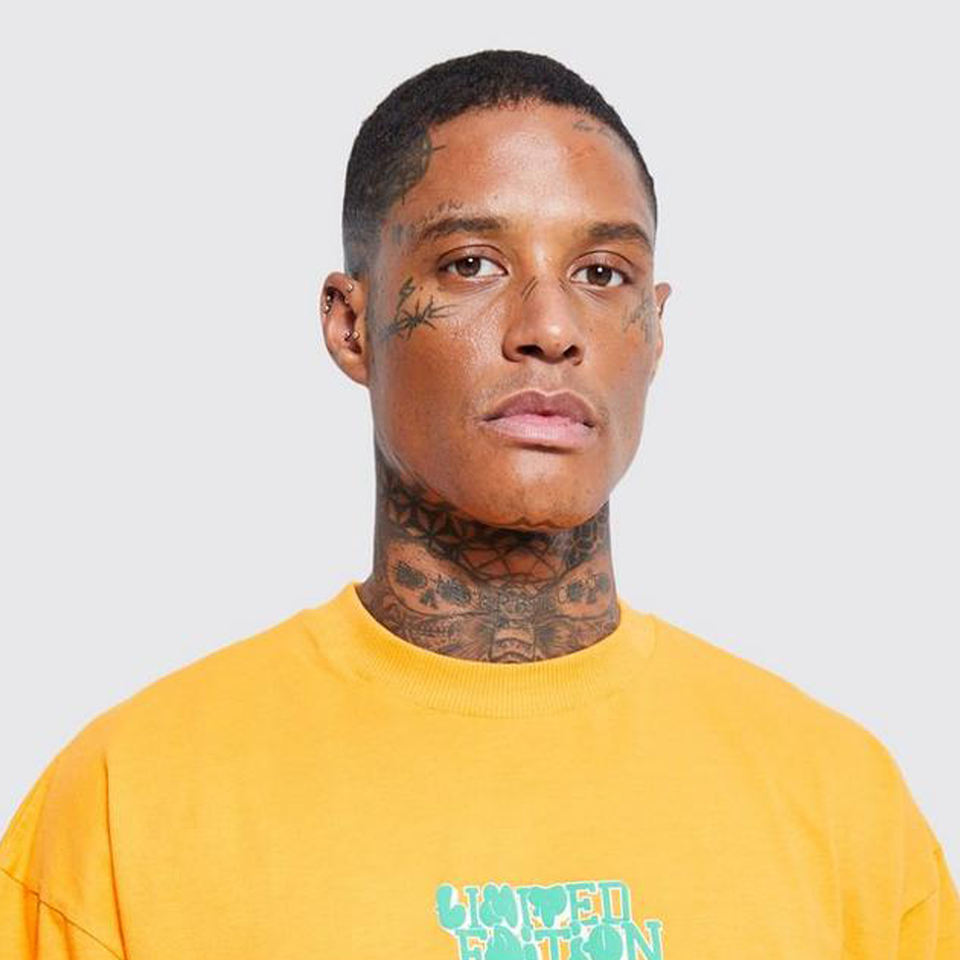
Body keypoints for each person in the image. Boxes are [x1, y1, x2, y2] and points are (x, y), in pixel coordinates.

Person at [2, 48, 957, 959]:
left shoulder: (844, 808)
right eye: (471, 263)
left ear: (656, 330)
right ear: (350, 324)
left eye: (601, 273)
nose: (550, 328)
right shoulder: (128, 803)